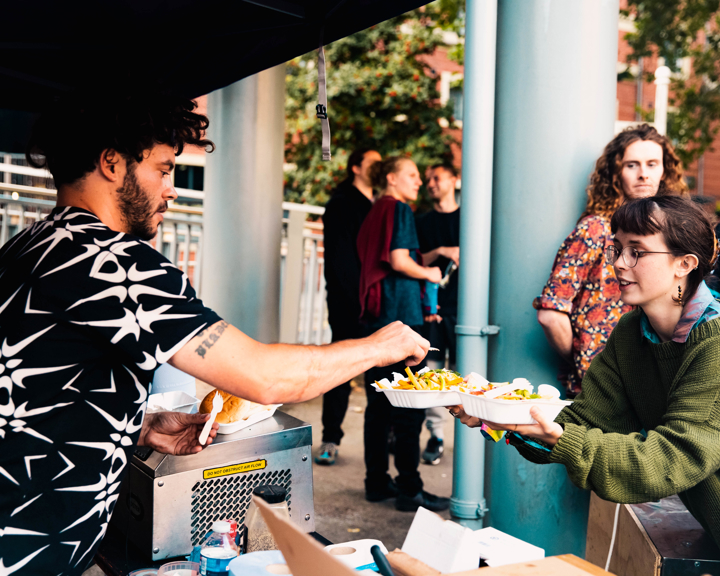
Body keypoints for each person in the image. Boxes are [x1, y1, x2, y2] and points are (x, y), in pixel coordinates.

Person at [0, 92, 429, 576]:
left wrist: (133, 428)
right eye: (164, 169)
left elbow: (37, 387)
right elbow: (267, 378)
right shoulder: (116, 264)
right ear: (112, 163)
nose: (172, 190)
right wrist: (378, 346)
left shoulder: (31, 244)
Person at [452, 195, 720, 547]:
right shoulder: (630, 333)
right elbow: (585, 421)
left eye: (636, 251)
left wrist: (562, 438)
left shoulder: (713, 343)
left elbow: (671, 458)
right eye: (617, 248)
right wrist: (499, 414)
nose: (619, 264)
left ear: (684, 263)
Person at [534, 124, 688, 397]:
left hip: (659, 384)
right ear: (616, 173)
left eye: (652, 164)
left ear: (665, 170)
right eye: (632, 165)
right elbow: (550, 314)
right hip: (602, 392)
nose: (643, 174)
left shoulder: (674, 233)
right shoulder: (596, 229)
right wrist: (588, 361)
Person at [356, 156, 448, 512]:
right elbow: (398, 260)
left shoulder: (374, 211)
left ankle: (376, 482)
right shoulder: (399, 209)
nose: (418, 182)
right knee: (409, 408)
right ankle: (411, 489)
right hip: (401, 323)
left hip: (376, 319)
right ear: (392, 179)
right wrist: (430, 274)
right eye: (411, 175)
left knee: (378, 407)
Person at [316, 148, 381, 466]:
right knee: (342, 369)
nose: (381, 168)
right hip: (350, 303)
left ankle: (385, 442)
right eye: (374, 163)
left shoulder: (377, 204)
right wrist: (360, 303)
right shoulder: (342, 203)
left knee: (380, 374)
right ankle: (330, 438)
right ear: (356, 167)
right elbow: (341, 263)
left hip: (374, 303)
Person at [415, 163, 460, 465]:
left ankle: (469, 441)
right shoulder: (423, 221)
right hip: (432, 310)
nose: (431, 183)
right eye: (428, 178)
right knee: (431, 374)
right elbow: (415, 259)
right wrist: (443, 250)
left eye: (437, 177)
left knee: (463, 375)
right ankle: (437, 436)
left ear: (455, 180)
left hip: (464, 310)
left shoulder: (471, 217)